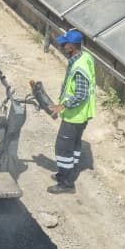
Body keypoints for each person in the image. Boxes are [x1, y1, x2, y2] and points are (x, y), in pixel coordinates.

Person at [35, 30, 97, 195]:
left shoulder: (79, 66)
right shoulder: (85, 57)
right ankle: (71, 172)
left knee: (62, 149)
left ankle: (66, 183)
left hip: (75, 115)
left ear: (71, 46)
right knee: (74, 145)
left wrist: (61, 107)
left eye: (64, 44)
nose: (61, 46)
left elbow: (81, 94)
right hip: (82, 114)